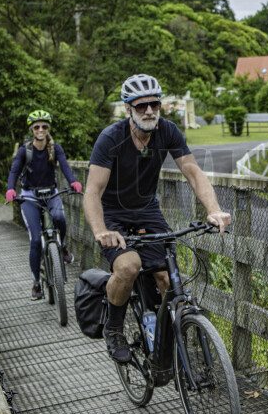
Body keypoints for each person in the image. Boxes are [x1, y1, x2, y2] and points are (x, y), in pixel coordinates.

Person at [84, 73, 231, 363]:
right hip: (112, 213)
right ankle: (114, 329)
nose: (149, 111)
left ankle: (169, 344)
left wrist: (213, 209)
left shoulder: (168, 131)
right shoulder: (110, 139)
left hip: (147, 210)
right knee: (129, 266)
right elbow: (92, 190)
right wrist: (101, 230)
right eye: (141, 107)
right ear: (128, 109)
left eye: (154, 105)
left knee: (167, 275)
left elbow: (193, 172)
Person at [5, 109, 83, 300]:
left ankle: (62, 247)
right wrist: (10, 188)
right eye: (37, 127)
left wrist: (73, 181)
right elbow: (14, 171)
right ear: (32, 129)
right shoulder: (25, 151)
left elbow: (64, 166)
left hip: (51, 193)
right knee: (35, 241)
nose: (40, 130)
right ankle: (36, 283)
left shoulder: (55, 149)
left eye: (44, 127)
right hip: (30, 197)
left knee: (59, 217)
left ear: (48, 129)